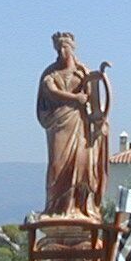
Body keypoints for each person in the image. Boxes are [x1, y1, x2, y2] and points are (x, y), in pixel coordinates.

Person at [36, 32, 109, 219]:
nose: (61, 51)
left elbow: (94, 103)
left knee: (82, 165)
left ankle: (78, 206)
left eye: (65, 47)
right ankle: (54, 207)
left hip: (80, 124)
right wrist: (75, 98)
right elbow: (50, 91)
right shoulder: (50, 74)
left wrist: (100, 120)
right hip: (59, 124)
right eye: (58, 48)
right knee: (56, 165)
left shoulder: (83, 72)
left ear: (72, 48)